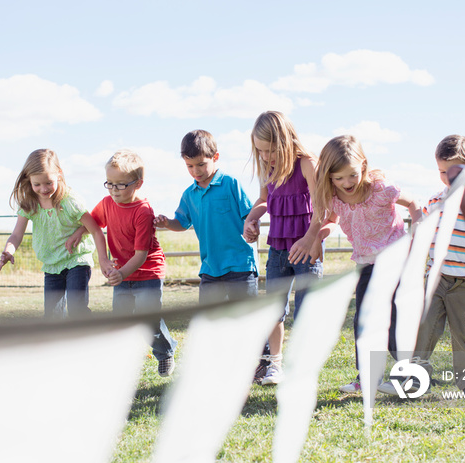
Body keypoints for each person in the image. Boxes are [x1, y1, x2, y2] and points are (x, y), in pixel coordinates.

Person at [379, 135, 465, 397]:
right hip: (435, 280)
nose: (447, 177)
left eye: (454, 171)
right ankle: (414, 379)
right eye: (441, 171)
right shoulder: (436, 200)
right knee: (423, 329)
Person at [313, 135, 422, 393]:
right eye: (338, 178)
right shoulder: (335, 198)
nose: (346, 183)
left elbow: (415, 204)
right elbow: (331, 221)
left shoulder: (382, 190)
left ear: (362, 166)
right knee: (363, 322)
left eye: (351, 175)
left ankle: (412, 377)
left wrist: (417, 229)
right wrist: (320, 236)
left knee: (394, 322)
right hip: (365, 265)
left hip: (395, 263)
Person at [242, 111, 328, 386]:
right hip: (278, 248)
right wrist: (251, 218)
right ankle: (274, 365)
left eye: (270, 150)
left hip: (307, 249)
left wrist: (310, 238)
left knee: (306, 309)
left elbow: (322, 207)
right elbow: (264, 200)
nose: (266, 156)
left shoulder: (307, 164)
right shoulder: (268, 169)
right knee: (273, 309)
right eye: (261, 151)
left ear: (286, 140)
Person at [86, 150, 178, 377]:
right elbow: (92, 222)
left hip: (147, 271)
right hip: (122, 274)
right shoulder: (107, 203)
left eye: (120, 185)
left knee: (148, 319)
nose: (114, 190)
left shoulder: (143, 212)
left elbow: (140, 255)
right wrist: (78, 235)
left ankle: (165, 353)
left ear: (138, 184)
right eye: (110, 184)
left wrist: (121, 273)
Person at [155, 130, 258, 306]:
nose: (196, 171)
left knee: (247, 319)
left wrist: (253, 227)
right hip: (210, 268)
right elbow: (181, 222)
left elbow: (249, 215)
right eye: (190, 166)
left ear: (215, 157)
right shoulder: (189, 195)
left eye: (201, 164)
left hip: (240, 265)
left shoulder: (231, 184)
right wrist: (167, 223)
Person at [0, 148, 103, 318]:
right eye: (37, 184)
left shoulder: (70, 201)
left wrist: (103, 260)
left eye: (48, 182)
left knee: (77, 310)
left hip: (76, 260)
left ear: (59, 174)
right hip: (52, 265)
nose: (43, 189)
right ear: (29, 181)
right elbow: (16, 234)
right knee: (52, 317)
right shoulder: (29, 204)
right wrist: (9, 250)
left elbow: (96, 230)